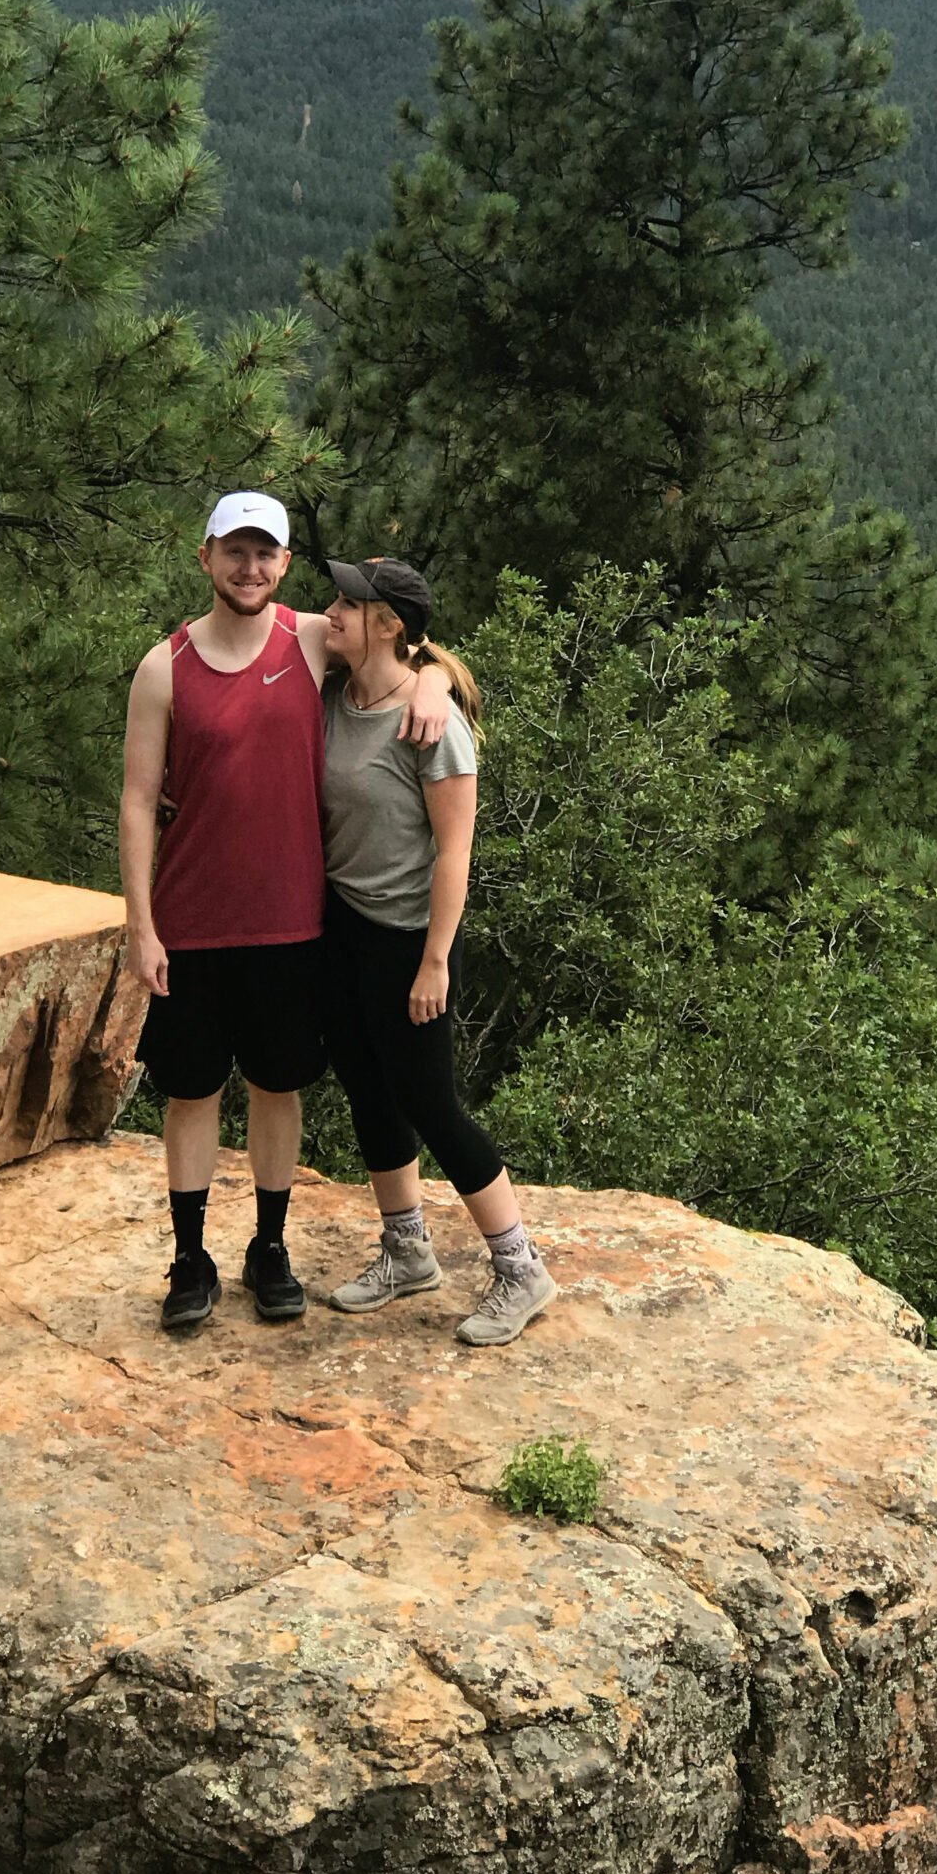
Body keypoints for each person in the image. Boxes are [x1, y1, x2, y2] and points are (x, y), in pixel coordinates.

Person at [119, 494, 449, 1333]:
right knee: (190, 1094)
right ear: (206, 557)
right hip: (190, 922)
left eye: (266, 554)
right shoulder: (164, 667)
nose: (251, 568)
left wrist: (440, 681)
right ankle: (190, 1258)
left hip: (295, 925)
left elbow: (402, 637)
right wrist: (141, 928)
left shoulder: (308, 640)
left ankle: (269, 1248)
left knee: (277, 1088)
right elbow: (134, 802)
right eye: (236, 551)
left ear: (285, 564)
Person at [318, 556, 557, 1346]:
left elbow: (456, 851)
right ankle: (407, 1249)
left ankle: (521, 1267)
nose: (332, 610)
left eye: (349, 602)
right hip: (341, 925)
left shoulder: (434, 725)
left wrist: (436, 961)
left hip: (405, 939)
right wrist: (431, 670)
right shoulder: (336, 686)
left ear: (390, 624)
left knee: (430, 1101)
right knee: (366, 1087)